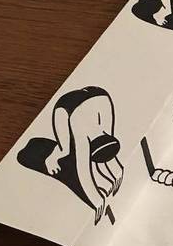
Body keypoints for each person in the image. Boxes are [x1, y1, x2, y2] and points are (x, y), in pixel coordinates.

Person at [44, 86, 123, 224]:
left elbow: (113, 161)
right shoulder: (82, 136)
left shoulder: (105, 109)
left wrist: (118, 174)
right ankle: (50, 159)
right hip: (67, 107)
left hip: (97, 96)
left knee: (101, 162)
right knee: (65, 150)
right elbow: (83, 170)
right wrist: (97, 200)